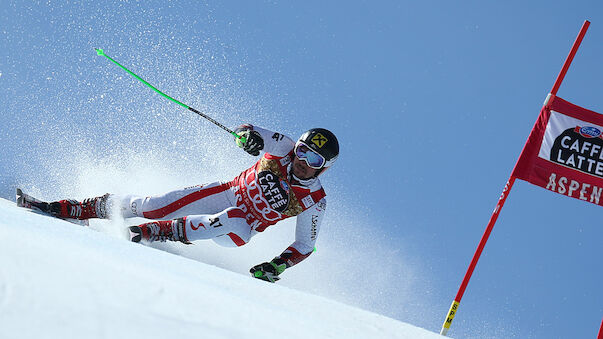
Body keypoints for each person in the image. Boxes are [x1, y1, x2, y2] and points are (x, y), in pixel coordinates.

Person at [35, 125, 339, 283]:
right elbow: (247, 129)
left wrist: (276, 266)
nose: (301, 161)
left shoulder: (315, 201)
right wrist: (246, 139)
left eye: (313, 159)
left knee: (233, 218)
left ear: (323, 168)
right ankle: (81, 209)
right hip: (227, 191)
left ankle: (156, 232)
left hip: (242, 230)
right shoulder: (283, 147)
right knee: (155, 205)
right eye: (302, 150)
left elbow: (304, 244)